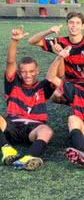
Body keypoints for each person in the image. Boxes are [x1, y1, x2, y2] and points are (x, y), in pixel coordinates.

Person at [0, 26, 54, 171]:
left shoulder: (43, 86)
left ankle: (29, 157)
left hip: (33, 128)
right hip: (12, 125)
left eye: (31, 71)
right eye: (23, 72)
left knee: (47, 131)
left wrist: (60, 56)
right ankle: (6, 149)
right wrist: (14, 41)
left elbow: (55, 76)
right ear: (18, 72)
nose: (27, 75)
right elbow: (10, 62)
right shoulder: (13, 84)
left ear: (37, 71)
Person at [28, 11, 84, 84]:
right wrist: (49, 31)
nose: (74, 25)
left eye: (78, 23)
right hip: (70, 82)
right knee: (57, 94)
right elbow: (31, 41)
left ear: (83, 26)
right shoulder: (59, 42)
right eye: (71, 22)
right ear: (67, 25)